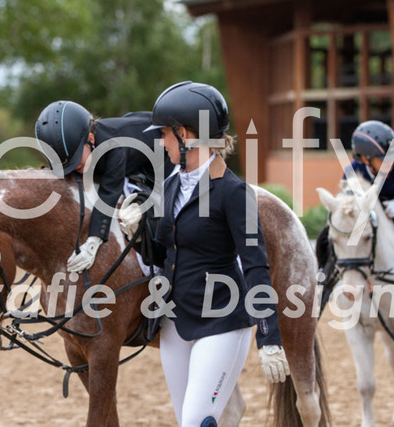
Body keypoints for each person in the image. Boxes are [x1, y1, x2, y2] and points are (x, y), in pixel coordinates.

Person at [118, 81, 289, 427]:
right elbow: (164, 255)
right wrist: (136, 232)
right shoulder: (170, 186)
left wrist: (269, 337)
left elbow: (256, 266)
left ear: (185, 135)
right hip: (175, 323)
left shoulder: (234, 193)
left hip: (222, 320)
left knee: (198, 420)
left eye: (164, 134)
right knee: (186, 420)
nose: (161, 143)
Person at [34, 101, 174, 273]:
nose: (74, 168)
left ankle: (167, 268)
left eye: (77, 162)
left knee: (162, 210)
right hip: (136, 146)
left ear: (91, 139)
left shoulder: (114, 147)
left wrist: (94, 240)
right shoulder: (84, 149)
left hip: (164, 157)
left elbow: (109, 193)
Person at [316, 120, 394, 305]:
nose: (391, 162)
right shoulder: (352, 171)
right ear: (366, 159)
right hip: (368, 208)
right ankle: (324, 272)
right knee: (327, 233)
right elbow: (348, 201)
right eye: (384, 158)